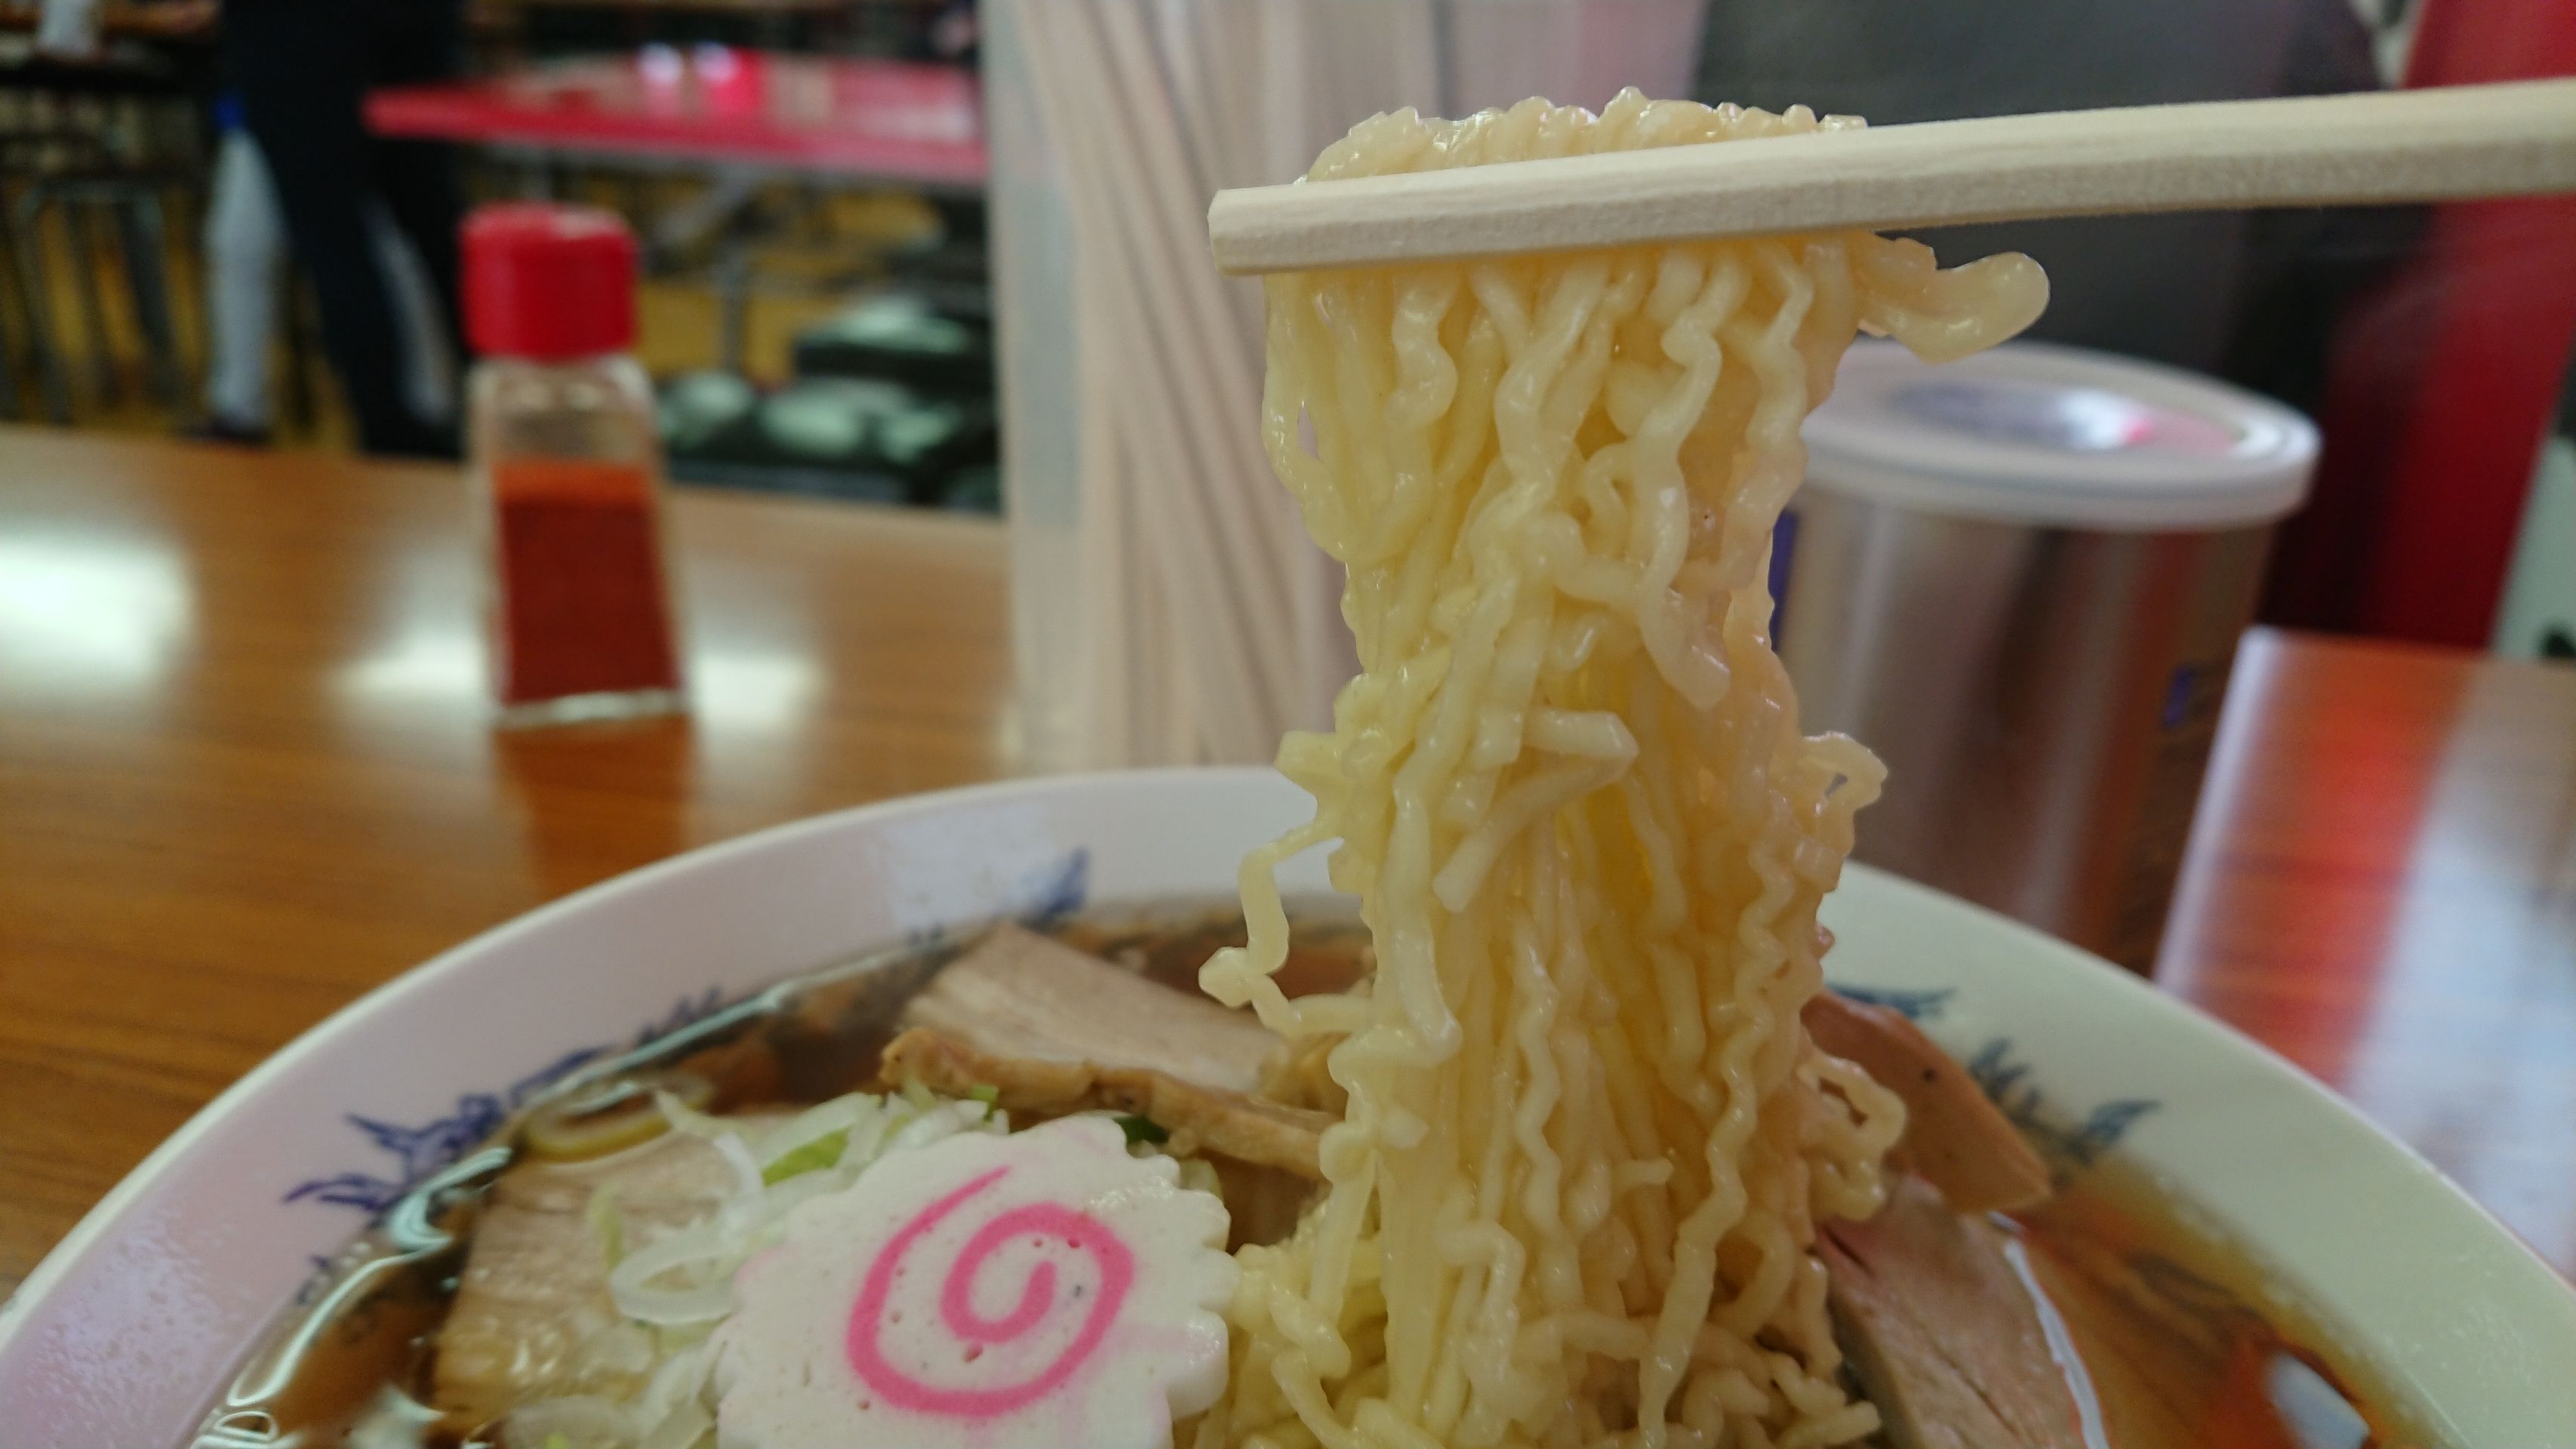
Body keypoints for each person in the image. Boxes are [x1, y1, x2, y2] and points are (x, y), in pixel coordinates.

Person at [221, 0, 468, 457]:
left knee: (334, 238)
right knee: (432, 219)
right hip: (415, 16)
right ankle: (506, 408)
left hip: (296, 26)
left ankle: (392, 434)